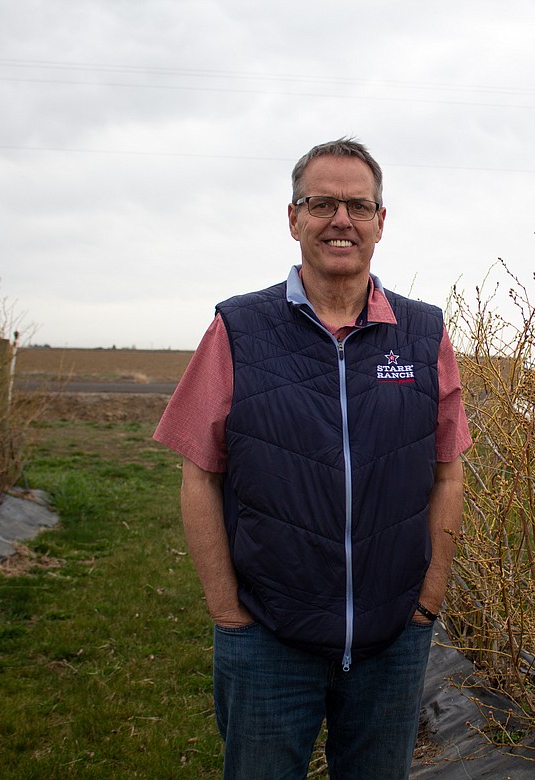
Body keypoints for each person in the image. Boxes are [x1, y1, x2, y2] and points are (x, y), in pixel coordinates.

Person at [153, 137, 471, 779]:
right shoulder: (239, 329)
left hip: (393, 638)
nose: (340, 221)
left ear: (382, 221)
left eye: (358, 205)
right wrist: (227, 611)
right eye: (320, 203)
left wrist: (426, 603)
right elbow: (198, 474)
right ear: (293, 217)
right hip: (268, 637)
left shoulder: (422, 334)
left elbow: (448, 472)